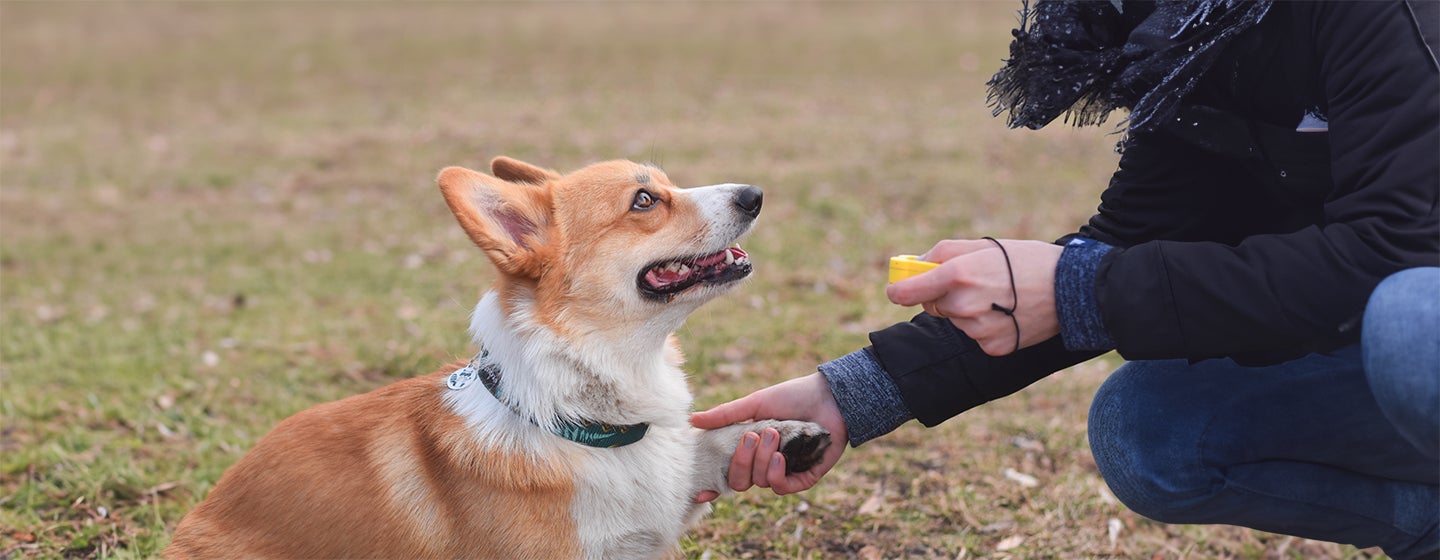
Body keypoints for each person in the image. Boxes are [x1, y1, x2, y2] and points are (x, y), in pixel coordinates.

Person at [690, 1, 1440, 558]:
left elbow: (1393, 249)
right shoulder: (1195, 24)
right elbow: (1132, 236)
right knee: (1150, 431)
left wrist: (1085, 287)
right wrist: (852, 397)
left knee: (1412, 321)